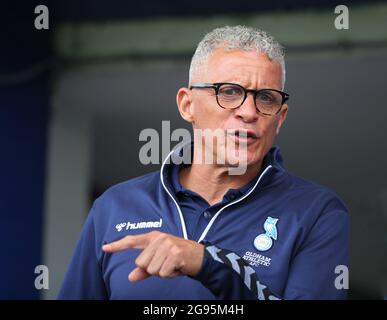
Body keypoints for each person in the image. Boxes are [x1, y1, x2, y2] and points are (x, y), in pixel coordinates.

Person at [58, 25, 349, 300]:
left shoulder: (316, 212)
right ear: (188, 105)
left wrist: (207, 264)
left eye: (266, 98)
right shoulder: (115, 206)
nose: (249, 112)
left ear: (280, 117)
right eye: (230, 92)